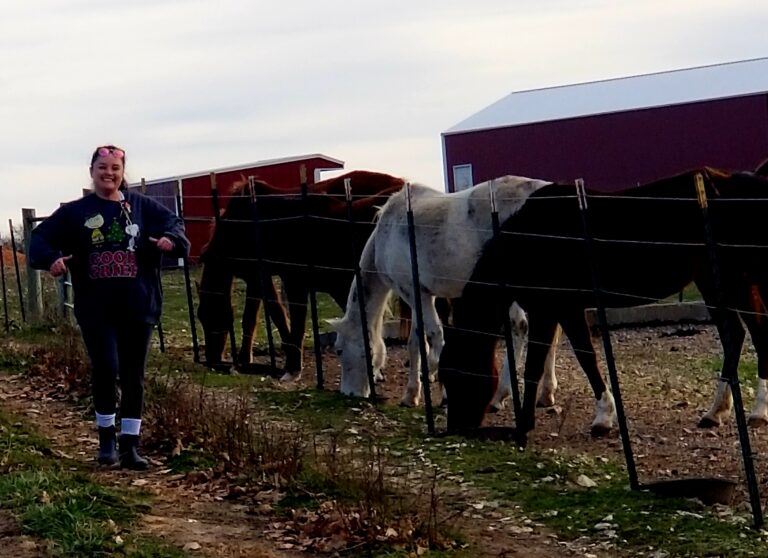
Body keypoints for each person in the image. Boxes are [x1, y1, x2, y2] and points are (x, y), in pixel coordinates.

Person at [29, 145, 190, 470]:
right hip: (96, 307)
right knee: (106, 369)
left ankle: (130, 446)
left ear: (122, 171)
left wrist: (170, 240)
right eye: (103, 168)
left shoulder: (142, 208)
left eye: (115, 168)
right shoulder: (77, 212)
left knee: (134, 376)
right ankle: (106, 443)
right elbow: (40, 239)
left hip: (138, 304)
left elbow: (175, 225)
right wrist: (52, 260)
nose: (109, 174)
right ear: (92, 171)